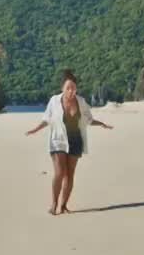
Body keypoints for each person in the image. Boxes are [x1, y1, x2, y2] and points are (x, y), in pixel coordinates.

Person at [24, 69, 114, 215]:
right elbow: (46, 119)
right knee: (59, 173)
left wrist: (102, 123)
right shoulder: (54, 101)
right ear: (62, 88)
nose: (71, 91)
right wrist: (35, 129)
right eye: (68, 88)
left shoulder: (81, 102)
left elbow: (88, 119)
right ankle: (54, 204)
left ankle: (64, 205)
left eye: (74, 88)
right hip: (58, 142)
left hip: (75, 142)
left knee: (70, 174)